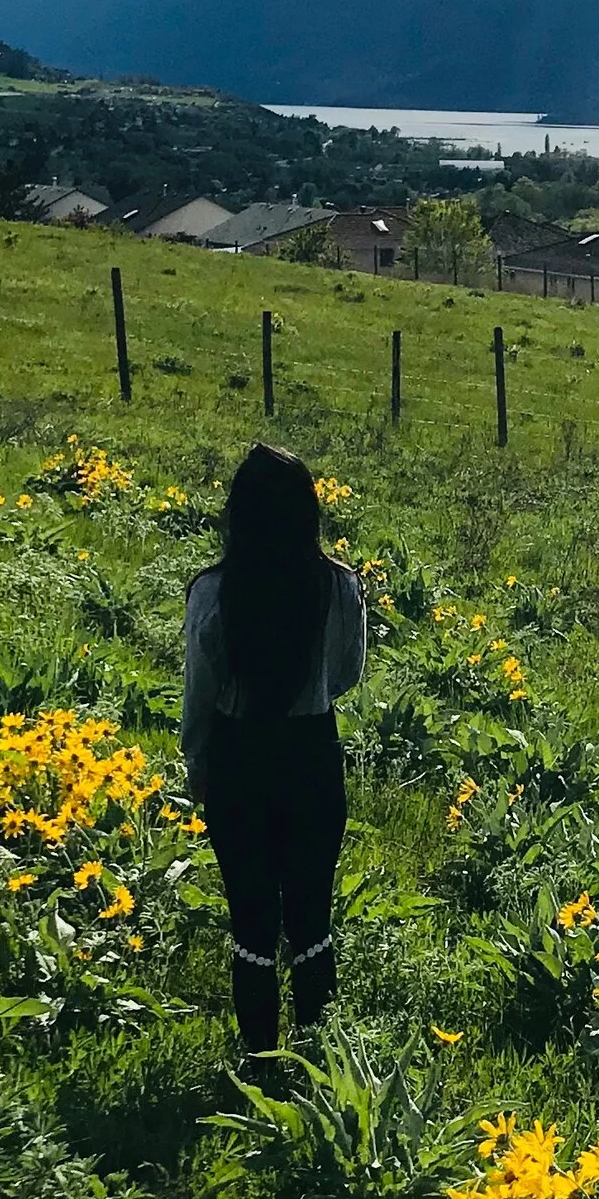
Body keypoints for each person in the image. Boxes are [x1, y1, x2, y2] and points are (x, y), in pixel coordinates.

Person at [180, 442, 367, 1058]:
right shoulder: (340, 587)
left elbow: (198, 693)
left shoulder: (213, 592)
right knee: (312, 913)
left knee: (251, 918)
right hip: (311, 752)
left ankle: (259, 1054)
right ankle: (314, 1055)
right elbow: (347, 676)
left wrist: (198, 761)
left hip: (238, 756)